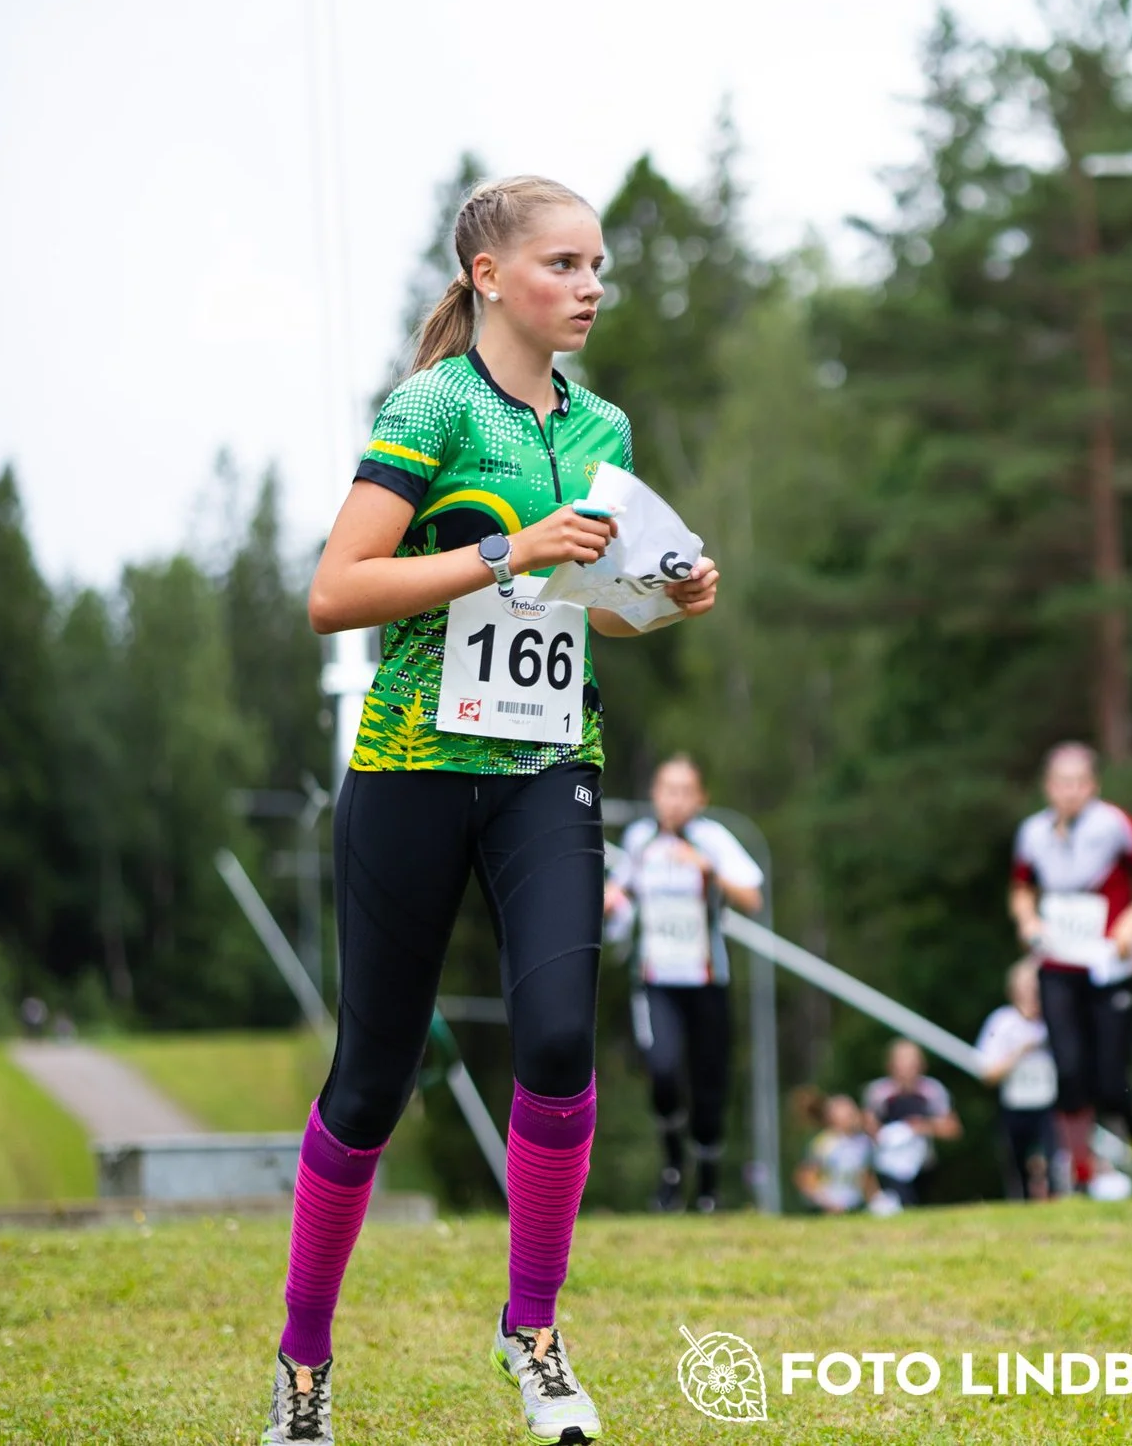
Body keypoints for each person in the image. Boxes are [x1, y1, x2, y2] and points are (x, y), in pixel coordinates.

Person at [260, 175, 720, 1446]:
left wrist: (667, 594)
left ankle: (535, 1331)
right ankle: (303, 1359)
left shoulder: (605, 424)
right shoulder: (432, 406)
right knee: (372, 1081)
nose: (590, 286)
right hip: (412, 764)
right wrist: (508, 549)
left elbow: (600, 609)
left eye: (598, 266)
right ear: (488, 276)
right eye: (564, 263)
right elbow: (334, 591)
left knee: (561, 1039)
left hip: (548, 764)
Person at [1007, 742, 1132, 1198]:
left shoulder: (1113, 826)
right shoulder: (1033, 833)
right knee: (1068, 1072)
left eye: (1079, 782)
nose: (1070, 791)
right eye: (1061, 783)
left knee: (1110, 1081)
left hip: (1110, 967)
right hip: (1058, 964)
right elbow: (1021, 888)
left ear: (1093, 785)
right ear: (1048, 786)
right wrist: (1027, 921)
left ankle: (1131, 1126)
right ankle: (1082, 1171)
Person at [604, 754, 763, 1213]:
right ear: (654, 794)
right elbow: (623, 894)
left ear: (700, 798)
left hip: (707, 980)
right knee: (663, 1069)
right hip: (656, 980)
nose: (674, 800)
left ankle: (708, 1186)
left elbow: (752, 897)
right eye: (666, 790)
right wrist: (613, 900)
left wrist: (708, 869)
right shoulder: (640, 840)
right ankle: (673, 1168)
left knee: (710, 1084)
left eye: (684, 791)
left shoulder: (712, 839)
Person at [973, 958, 1057, 1200]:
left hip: (1050, 1104)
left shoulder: (1055, 1018)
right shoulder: (1002, 1022)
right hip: (1016, 1105)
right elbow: (986, 1072)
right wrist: (1020, 1052)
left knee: (1053, 1162)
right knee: (1017, 1167)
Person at [861, 1038, 960, 1213]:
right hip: (889, 1167)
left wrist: (921, 1127)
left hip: (924, 1165)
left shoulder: (933, 1090)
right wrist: (889, 1135)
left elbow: (952, 1128)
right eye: (903, 1061)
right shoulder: (878, 1092)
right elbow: (868, 1127)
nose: (908, 1067)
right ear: (891, 1065)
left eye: (913, 1061)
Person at [792, 1091, 875, 1214]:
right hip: (828, 1207)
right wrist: (826, 1202)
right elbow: (806, 1177)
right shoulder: (823, 1143)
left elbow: (866, 1177)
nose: (852, 1117)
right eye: (847, 1114)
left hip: (854, 1205)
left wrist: (875, 1202)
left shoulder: (863, 1142)